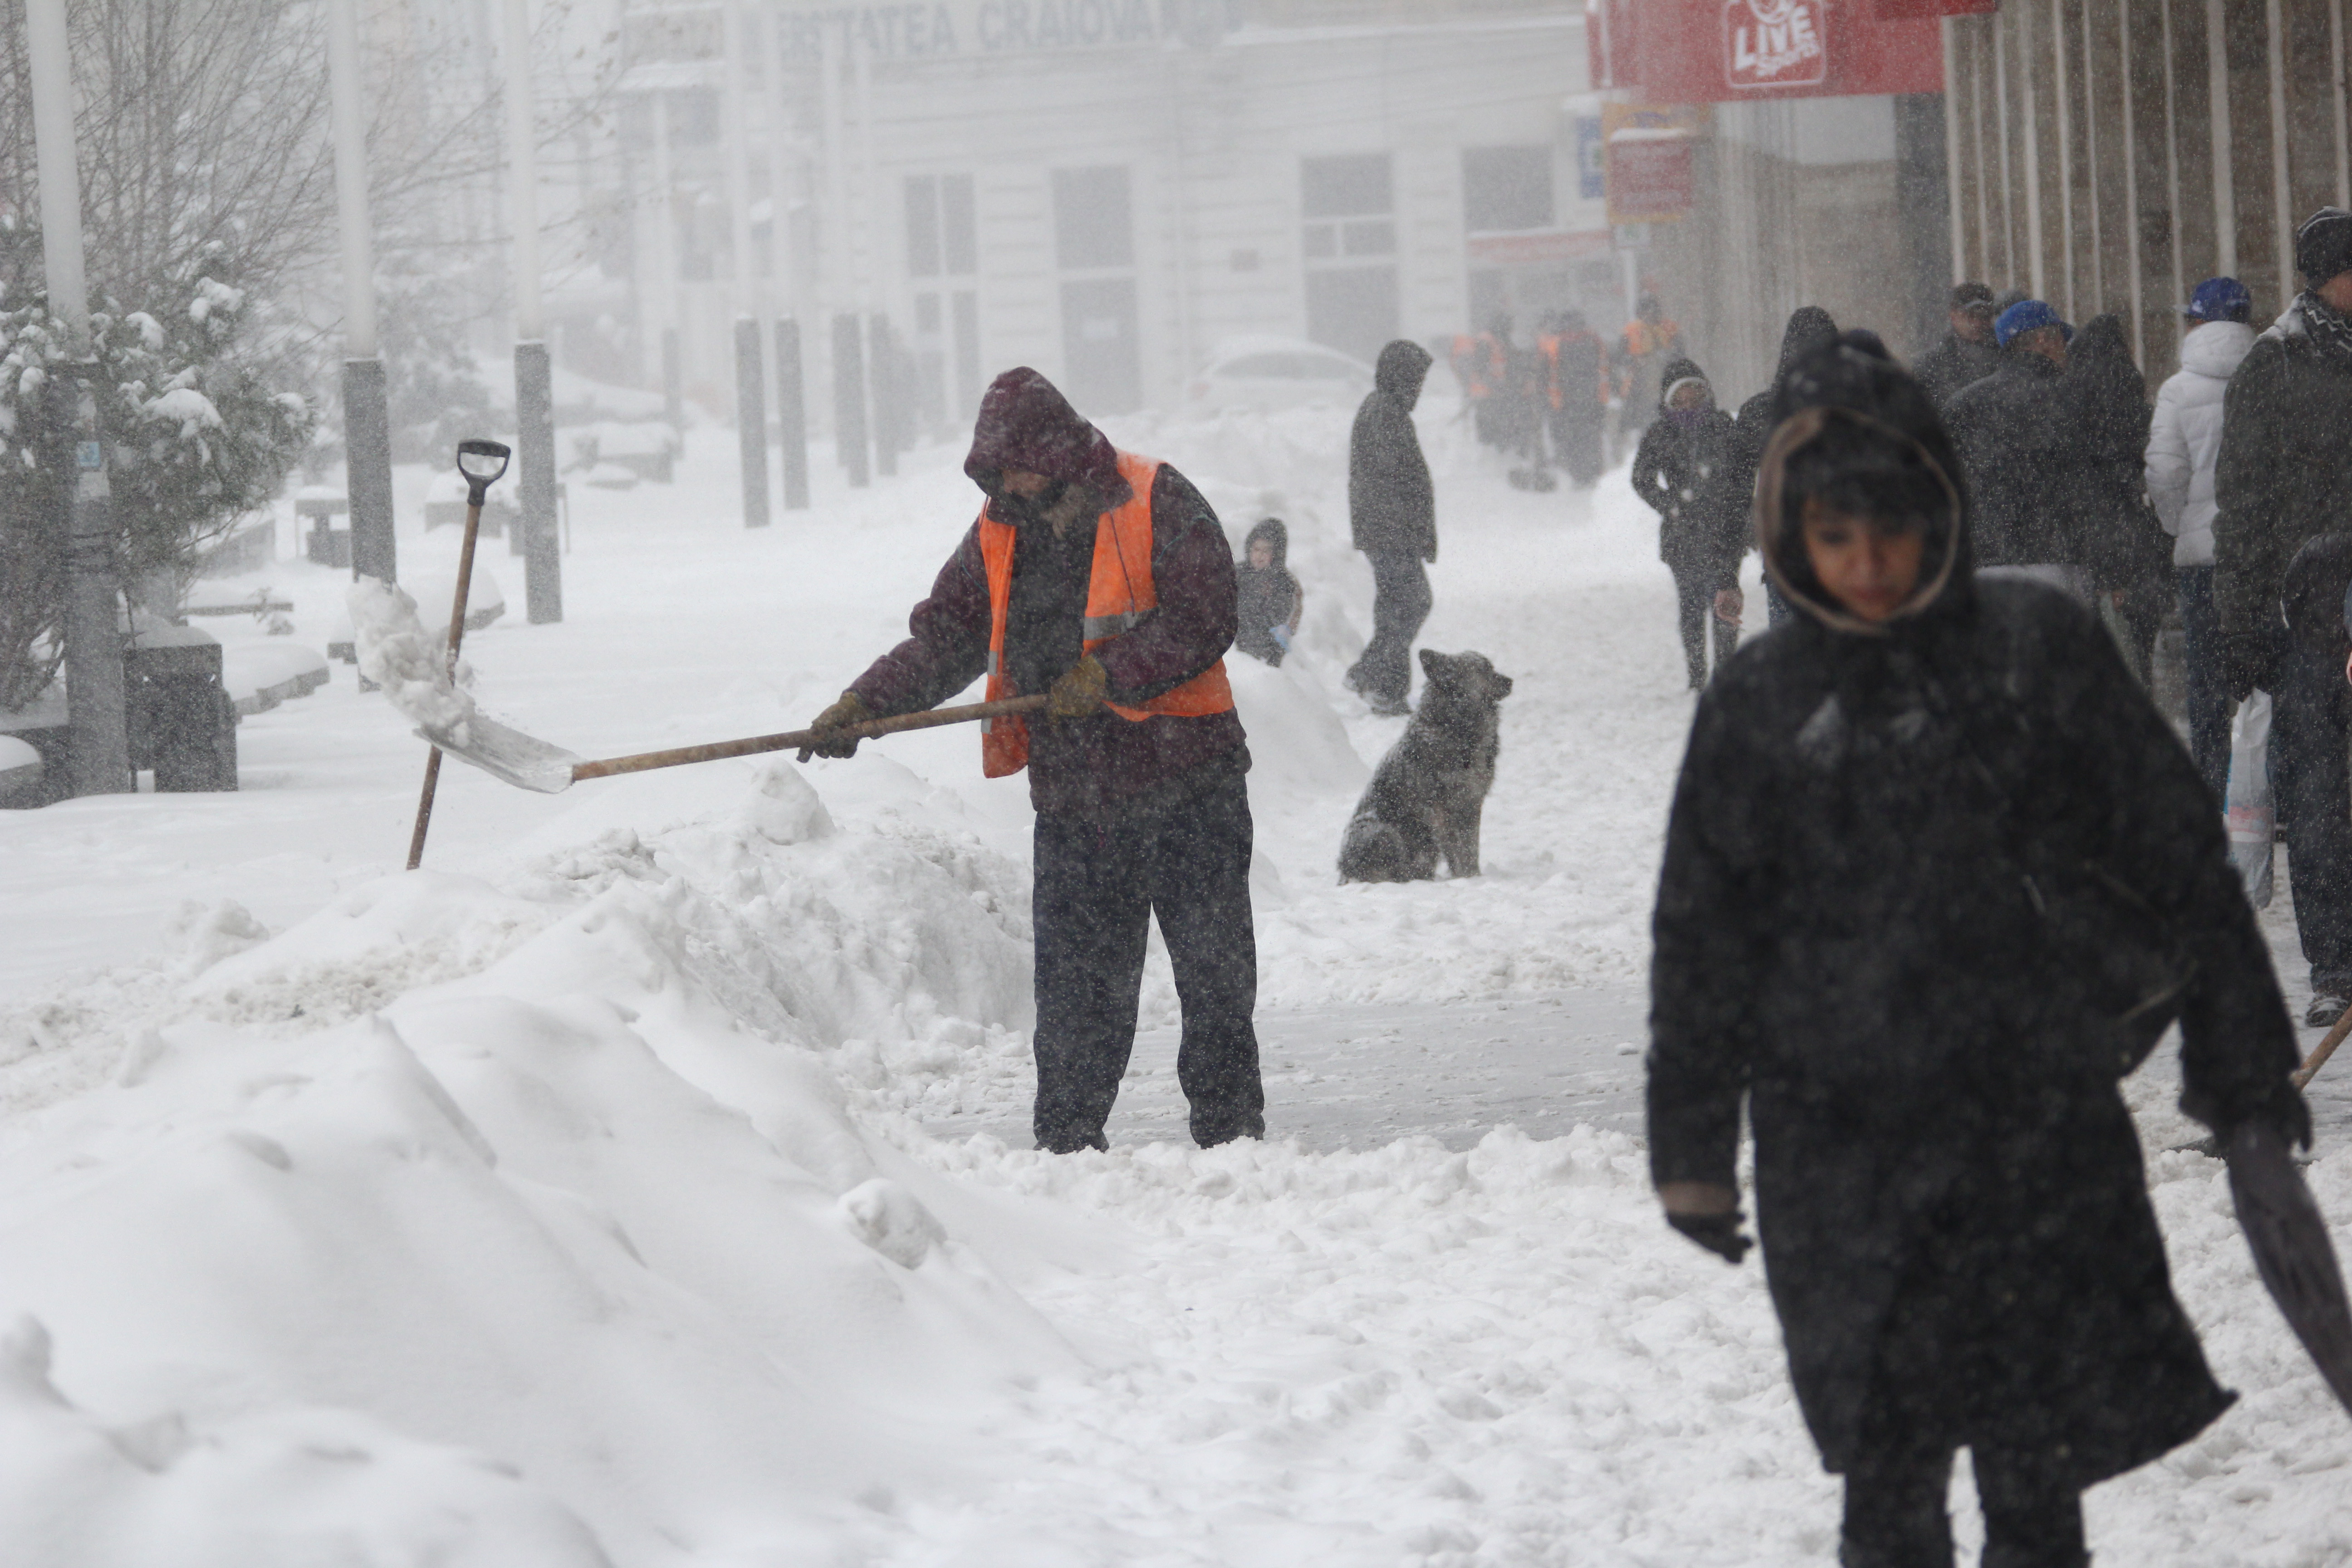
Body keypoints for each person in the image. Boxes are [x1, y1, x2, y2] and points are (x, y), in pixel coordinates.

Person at [1650, 332, 2308, 1568]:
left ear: (1942, 513)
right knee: (1888, 1475)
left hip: (2031, 1123)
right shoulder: (1760, 703)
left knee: (2033, 1465)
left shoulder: (2032, 648)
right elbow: (1702, 936)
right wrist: (1691, 1151)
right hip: (1839, 1145)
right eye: (1834, 540)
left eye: (1891, 533)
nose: (1868, 568)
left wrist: (2243, 1066)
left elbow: (2179, 859)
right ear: (1793, 539)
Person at [803, 367, 1264, 1153]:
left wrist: (1109, 675)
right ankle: (1067, 1142)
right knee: (1078, 988)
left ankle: (1230, 1136)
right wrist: (866, 706)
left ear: (1055, 450)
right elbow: (944, 636)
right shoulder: (999, 527)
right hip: (1079, 798)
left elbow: (1206, 613)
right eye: (995, 469)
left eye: (1017, 463)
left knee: (1214, 977)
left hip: (1188, 783)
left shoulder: (1155, 497)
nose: (1006, 482)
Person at [2215, 205, 2352, 1028]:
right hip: (2313, 615)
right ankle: (2334, 961)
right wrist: (2238, 623)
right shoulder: (2275, 365)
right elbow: (2243, 505)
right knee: (2321, 791)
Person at [2148, 276, 2256, 800]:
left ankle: (2214, 787)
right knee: (2268, 676)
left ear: (2197, 323)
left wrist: (2180, 525)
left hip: (2201, 558)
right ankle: (2267, 787)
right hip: (2261, 555)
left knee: (2206, 676)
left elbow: (2165, 474)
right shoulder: (2268, 377)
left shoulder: (2177, 389)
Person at [1945, 299, 2092, 603]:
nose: (2066, 347)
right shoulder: (2070, 399)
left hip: (1985, 562)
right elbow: (2089, 484)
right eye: (2061, 337)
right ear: (2043, 340)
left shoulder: (1963, 404)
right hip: (2058, 559)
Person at [1707, 305, 1841, 627]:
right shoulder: (1863, 408)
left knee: (1795, 667)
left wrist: (1727, 577)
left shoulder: (1761, 414)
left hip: (1789, 558)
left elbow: (1734, 497)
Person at [2068, 313, 2171, 684]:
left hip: (2096, 556)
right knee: (2138, 650)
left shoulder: (2073, 417)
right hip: (2142, 551)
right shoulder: (2140, 411)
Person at [1631, 358, 1739, 688]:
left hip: (1723, 533)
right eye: (1680, 398)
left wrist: (1736, 514)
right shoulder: (1660, 433)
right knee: (1691, 606)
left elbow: (1741, 477)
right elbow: (1642, 478)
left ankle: (1725, 675)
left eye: (1695, 394)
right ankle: (1697, 675)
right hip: (1683, 537)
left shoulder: (1723, 427)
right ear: (1669, 401)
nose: (1689, 403)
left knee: (1725, 603)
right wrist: (1671, 505)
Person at [1345, 339, 1437, 716]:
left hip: (1389, 531)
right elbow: (1389, 479)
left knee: (1398, 607)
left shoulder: (1387, 410)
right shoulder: (1384, 413)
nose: (1419, 388)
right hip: (1390, 533)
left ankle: (1377, 681)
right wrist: (1408, 530)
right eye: (1416, 379)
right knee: (1411, 603)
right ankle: (1376, 680)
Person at [1543, 309, 1608, 488]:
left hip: (1584, 402)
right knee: (1579, 440)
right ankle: (1581, 475)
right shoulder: (1589, 343)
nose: (1574, 332)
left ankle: (1587, 475)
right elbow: (1546, 374)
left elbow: (1603, 369)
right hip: (1572, 402)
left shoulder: (1590, 343)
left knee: (1586, 440)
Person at [1911, 282, 2004, 409]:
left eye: (1984, 316)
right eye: (1970, 316)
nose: (1977, 323)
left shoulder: (2008, 357)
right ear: (1953, 316)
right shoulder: (1930, 365)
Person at [1233, 517, 1303, 666]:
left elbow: (1283, 617)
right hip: (1236, 635)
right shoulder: (1238, 574)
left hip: (1266, 644)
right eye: (1256, 549)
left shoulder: (1284, 583)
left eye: (1266, 551)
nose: (1260, 556)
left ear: (1277, 554)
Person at [1617, 293, 1681, 442]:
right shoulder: (1630, 331)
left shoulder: (1669, 328)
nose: (1649, 314)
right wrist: (1632, 361)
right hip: (1640, 386)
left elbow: (1681, 354)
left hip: (1667, 383)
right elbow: (1619, 357)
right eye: (1645, 311)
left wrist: (1668, 359)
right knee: (1646, 423)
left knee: (1666, 418)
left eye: (1652, 311)